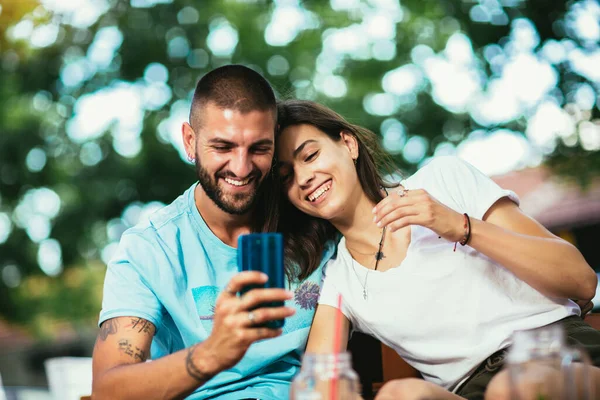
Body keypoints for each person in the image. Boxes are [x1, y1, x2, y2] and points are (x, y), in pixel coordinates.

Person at [274, 99, 600, 400]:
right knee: (399, 395)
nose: (303, 178)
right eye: (286, 176)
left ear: (348, 144)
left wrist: (460, 225)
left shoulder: (443, 180)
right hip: (469, 391)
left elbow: (581, 281)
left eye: (310, 156)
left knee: (515, 387)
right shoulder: (340, 278)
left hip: (557, 355)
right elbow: (318, 383)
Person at [92, 67, 335, 400]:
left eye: (259, 149)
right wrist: (213, 353)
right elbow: (108, 390)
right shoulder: (149, 248)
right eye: (223, 147)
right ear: (190, 141)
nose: (241, 167)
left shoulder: (314, 216)